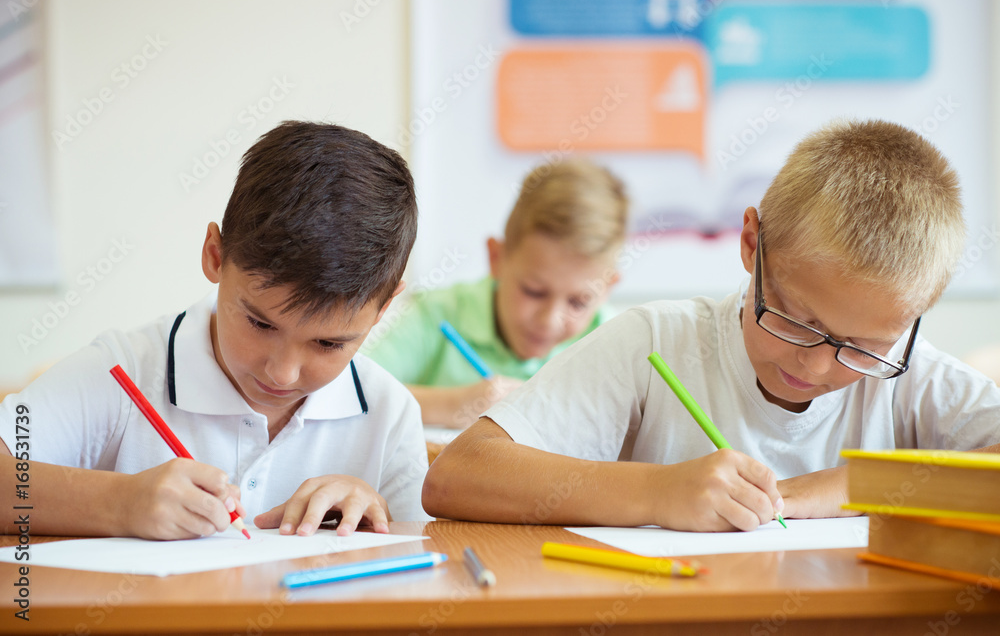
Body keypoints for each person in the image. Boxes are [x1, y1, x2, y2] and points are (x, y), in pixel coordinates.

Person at [423, 119, 1000, 532]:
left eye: (864, 348)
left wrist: (848, 487)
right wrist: (657, 491)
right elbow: (459, 475)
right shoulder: (655, 343)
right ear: (752, 242)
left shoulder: (912, 381)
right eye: (797, 320)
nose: (817, 364)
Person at [0, 121, 428, 540]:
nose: (283, 373)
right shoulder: (125, 372)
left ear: (384, 309)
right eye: (260, 323)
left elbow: (424, 562)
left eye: (328, 343)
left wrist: (376, 513)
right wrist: (120, 502)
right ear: (215, 256)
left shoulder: (389, 413)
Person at [364, 158, 629, 430]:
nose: (550, 320)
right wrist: (451, 405)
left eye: (578, 302)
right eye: (534, 291)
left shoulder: (614, 342)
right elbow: (355, 390)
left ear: (606, 289)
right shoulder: (439, 313)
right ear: (496, 258)